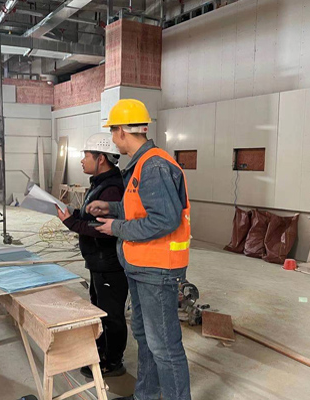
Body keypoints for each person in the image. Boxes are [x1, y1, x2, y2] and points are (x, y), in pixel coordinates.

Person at [85, 99, 192, 400]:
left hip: (158, 270)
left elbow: (165, 219)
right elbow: (140, 208)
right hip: (142, 266)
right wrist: (111, 208)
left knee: (165, 346)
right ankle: (146, 395)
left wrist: (116, 227)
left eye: (113, 131)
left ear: (122, 131)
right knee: (146, 338)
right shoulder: (141, 164)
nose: (113, 137)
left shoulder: (153, 165)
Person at [56, 133, 128, 378]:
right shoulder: (100, 184)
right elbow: (91, 216)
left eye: (86, 155)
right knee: (100, 309)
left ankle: (113, 361)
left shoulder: (112, 189)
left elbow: (104, 229)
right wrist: (74, 214)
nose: (82, 160)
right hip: (98, 261)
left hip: (110, 263)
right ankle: (101, 350)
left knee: (111, 314)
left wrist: (71, 223)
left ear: (101, 158)